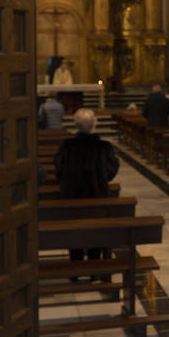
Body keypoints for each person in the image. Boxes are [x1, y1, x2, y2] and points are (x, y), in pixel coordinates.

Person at [52, 109, 121, 267]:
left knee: (73, 231)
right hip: (96, 198)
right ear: (95, 123)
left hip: (71, 198)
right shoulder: (103, 147)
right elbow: (111, 171)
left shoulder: (66, 146)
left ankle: (75, 265)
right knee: (96, 231)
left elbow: (58, 169)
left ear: (75, 124)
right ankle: (94, 266)